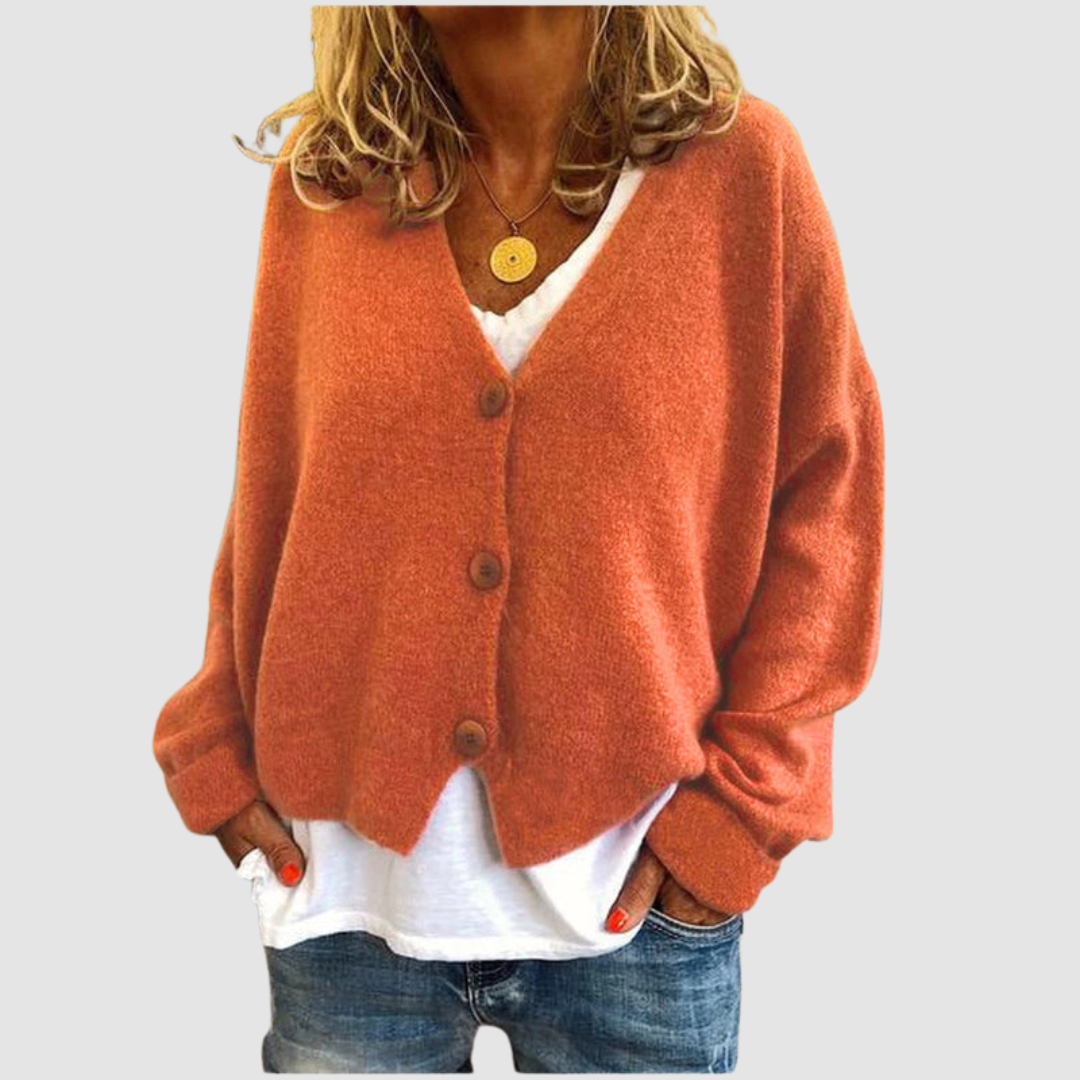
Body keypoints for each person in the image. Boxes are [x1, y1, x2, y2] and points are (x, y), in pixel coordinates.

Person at [152, 6, 885, 1073]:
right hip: (347, 909)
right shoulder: (329, 185)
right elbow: (277, 489)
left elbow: (830, 498)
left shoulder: (740, 172)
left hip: (636, 919)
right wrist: (215, 741)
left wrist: (740, 815)